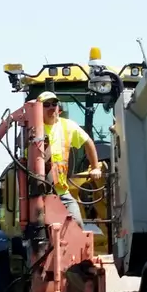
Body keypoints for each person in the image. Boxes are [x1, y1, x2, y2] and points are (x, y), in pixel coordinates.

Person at [37, 90, 102, 223]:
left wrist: (95, 167)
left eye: (54, 104)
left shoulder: (67, 125)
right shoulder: (33, 128)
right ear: (38, 109)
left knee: (77, 223)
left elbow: (88, 141)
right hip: (38, 194)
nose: (51, 107)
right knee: (40, 230)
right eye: (46, 104)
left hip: (62, 191)